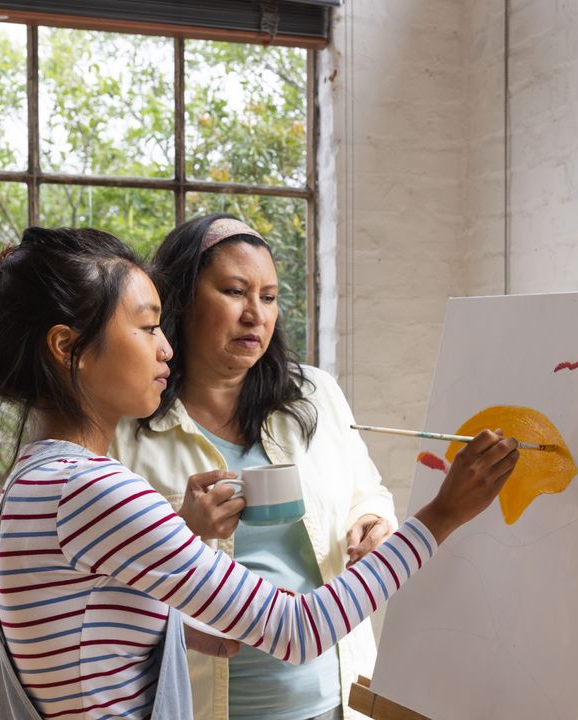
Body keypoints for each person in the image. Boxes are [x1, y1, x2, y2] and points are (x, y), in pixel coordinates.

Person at [0, 226, 520, 720]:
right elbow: (300, 630)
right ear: (69, 349)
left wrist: (171, 629)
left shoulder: (33, 481)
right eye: (148, 328)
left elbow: (84, 642)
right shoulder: (95, 488)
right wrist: (442, 515)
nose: (165, 350)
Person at [108, 214, 404, 720]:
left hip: (338, 700)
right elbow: (109, 592)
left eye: (268, 297)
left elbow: (367, 491)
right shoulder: (127, 428)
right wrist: (184, 528)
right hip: (206, 707)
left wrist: (375, 522)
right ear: (180, 299)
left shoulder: (315, 395)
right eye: (234, 291)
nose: (255, 315)